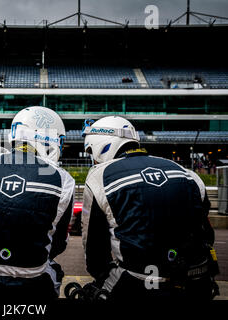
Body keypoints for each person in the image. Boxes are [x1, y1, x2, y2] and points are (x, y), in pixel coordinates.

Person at [81, 116, 219, 301]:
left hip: (140, 282)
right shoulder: (187, 173)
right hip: (197, 281)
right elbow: (207, 234)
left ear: (100, 143)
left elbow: (95, 250)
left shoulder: (100, 177)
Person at [0, 106, 75, 299]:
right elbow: (59, 243)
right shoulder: (62, 179)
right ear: (48, 137)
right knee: (51, 268)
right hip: (33, 278)